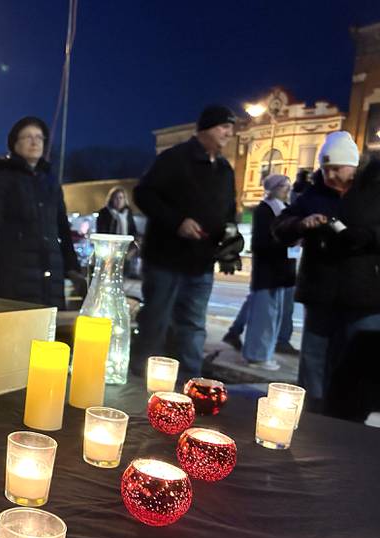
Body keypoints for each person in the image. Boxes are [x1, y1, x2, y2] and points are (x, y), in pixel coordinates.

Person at [130, 105, 240, 381]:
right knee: (157, 320)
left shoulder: (225, 170)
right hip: (166, 260)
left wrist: (229, 243)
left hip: (201, 262)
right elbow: (144, 194)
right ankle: (143, 380)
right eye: (223, 126)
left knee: (193, 325)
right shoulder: (175, 159)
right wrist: (177, 222)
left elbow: (229, 212)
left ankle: (190, 381)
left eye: (231, 127)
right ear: (205, 129)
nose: (229, 132)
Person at [273, 131, 380, 412]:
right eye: (326, 167)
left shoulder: (375, 188)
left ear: (354, 165)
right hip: (320, 291)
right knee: (314, 361)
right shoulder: (314, 193)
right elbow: (281, 226)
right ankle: (313, 418)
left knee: (357, 364)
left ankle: (349, 423)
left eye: (336, 168)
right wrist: (301, 224)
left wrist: (368, 236)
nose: (330, 174)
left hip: (365, 295)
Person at [0, 116, 83, 308]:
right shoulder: (1, 179)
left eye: (39, 137)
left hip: (51, 278)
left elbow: (63, 229)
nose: (35, 141)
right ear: (15, 144)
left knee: (49, 333)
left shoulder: (50, 182)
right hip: (14, 275)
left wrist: (72, 268)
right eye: (27, 137)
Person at [240, 174, 296, 370]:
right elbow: (261, 243)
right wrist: (286, 242)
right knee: (264, 315)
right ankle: (257, 355)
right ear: (273, 188)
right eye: (283, 186)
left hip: (279, 271)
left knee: (273, 316)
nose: (287, 190)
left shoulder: (283, 209)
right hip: (269, 271)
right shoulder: (266, 210)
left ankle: (264, 353)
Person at [96, 187, 141, 277]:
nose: (119, 200)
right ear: (111, 199)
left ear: (125, 200)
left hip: (124, 250)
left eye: (121, 198)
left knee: (123, 276)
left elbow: (133, 231)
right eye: (116, 198)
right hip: (109, 250)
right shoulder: (104, 213)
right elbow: (101, 231)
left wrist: (132, 248)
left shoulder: (128, 213)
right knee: (107, 275)